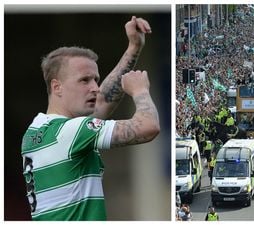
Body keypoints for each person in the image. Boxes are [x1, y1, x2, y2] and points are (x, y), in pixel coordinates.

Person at [21, 16, 160, 221]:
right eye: (84, 80)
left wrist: (134, 47)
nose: (94, 87)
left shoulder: (36, 131)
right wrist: (140, 90)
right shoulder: (71, 131)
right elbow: (149, 126)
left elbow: (101, 101)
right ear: (57, 87)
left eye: (95, 79)